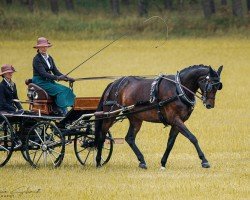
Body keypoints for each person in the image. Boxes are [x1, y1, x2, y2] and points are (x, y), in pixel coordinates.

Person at [32, 37, 75, 116]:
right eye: (42, 47)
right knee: (60, 91)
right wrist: (58, 78)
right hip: (40, 81)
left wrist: (67, 78)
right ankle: (61, 110)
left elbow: (55, 71)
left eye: (45, 46)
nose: (44, 48)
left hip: (48, 81)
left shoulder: (49, 58)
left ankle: (67, 108)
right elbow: (43, 74)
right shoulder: (36, 59)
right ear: (38, 48)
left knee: (67, 89)